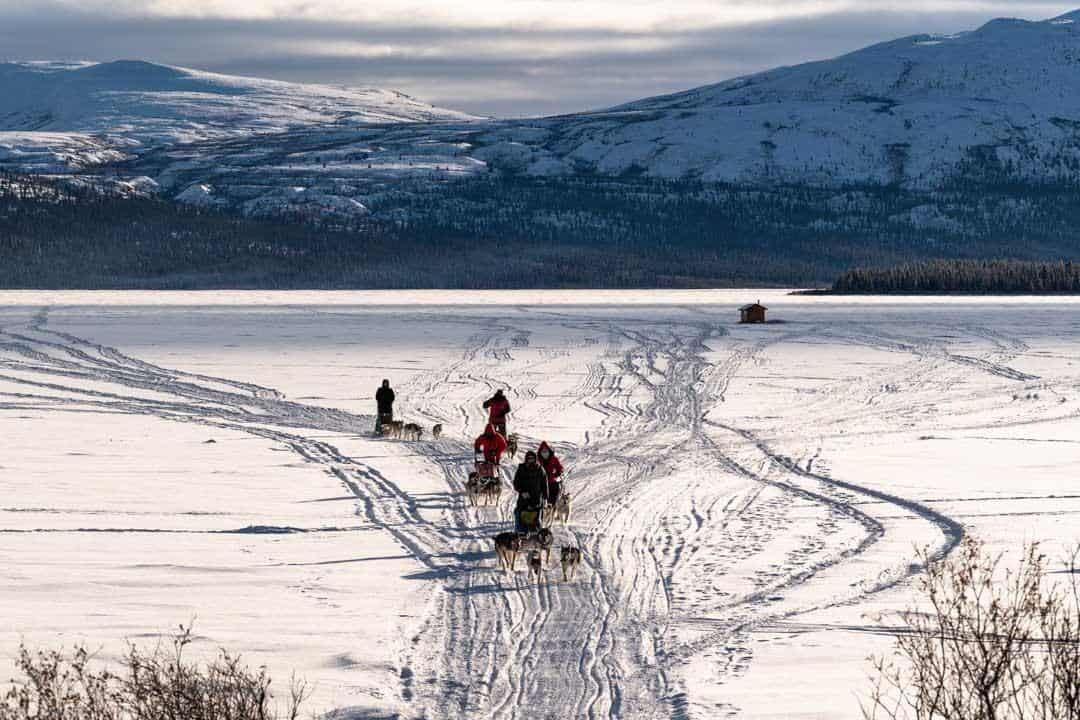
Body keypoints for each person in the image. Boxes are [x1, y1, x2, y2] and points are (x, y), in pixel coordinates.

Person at [513, 450, 548, 533]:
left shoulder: (540, 470)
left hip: (536, 499)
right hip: (524, 499)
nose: (530, 461)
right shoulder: (521, 469)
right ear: (526, 459)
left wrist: (545, 498)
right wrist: (521, 491)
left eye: (532, 459)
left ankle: (538, 536)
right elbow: (516, 482)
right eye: (529, 459)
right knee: (519, 515)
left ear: (535, 459)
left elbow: (544, 485)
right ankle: (519, 534)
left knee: (537, 518)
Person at [537, 441, 564, 507]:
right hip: (540, 481)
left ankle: (553, 506)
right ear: (540, 452)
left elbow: (559, 467)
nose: (545, 453)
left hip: (551, 480)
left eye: (546, 451)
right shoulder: (538, 460)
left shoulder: (553, 459)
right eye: (543, 451)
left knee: (555, 492)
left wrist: (558, 472)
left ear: (549, 451)